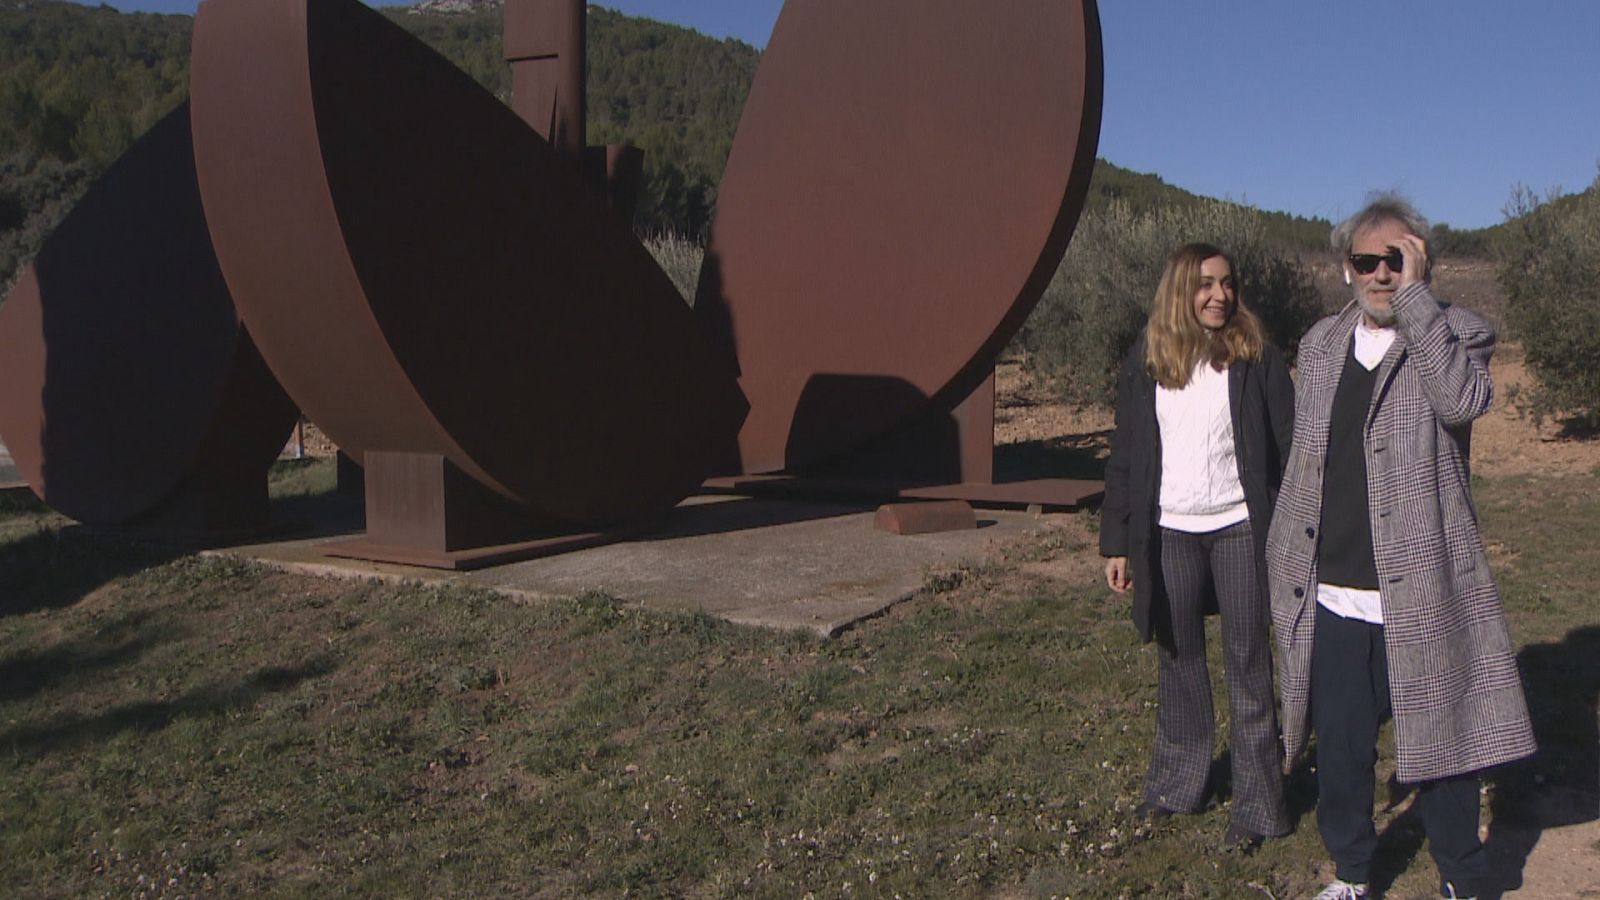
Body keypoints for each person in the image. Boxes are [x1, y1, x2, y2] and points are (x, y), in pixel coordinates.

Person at [1266, 194, 1535, 900]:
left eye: (1397, 259)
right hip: (1332, 585)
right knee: (1343, 745)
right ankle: (1352, 871)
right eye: (1367, 261)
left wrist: (1418, 305)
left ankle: (1462, 877)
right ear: (1345, 269)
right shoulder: (1321, 344)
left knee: (1443, 743)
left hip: (1422, 584)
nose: (1381, 274)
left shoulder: (1459, 332)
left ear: (1422, 263)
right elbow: (1308, 456)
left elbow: (1460, 402)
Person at [1101, 242, 1295, 850]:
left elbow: (1288, 443)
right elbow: (1127, 453)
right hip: (1169, 533)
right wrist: (1117, 541)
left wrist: (1296, 529)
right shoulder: (1149, 356)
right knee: (1178, 658)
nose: (1220, 296)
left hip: (1240, 528)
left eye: (1228, 284)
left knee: (1249, 662)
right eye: (1206, 284)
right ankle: (1178, 786)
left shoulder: (1255, 353)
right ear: (1180, 289)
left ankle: (1259, 807)